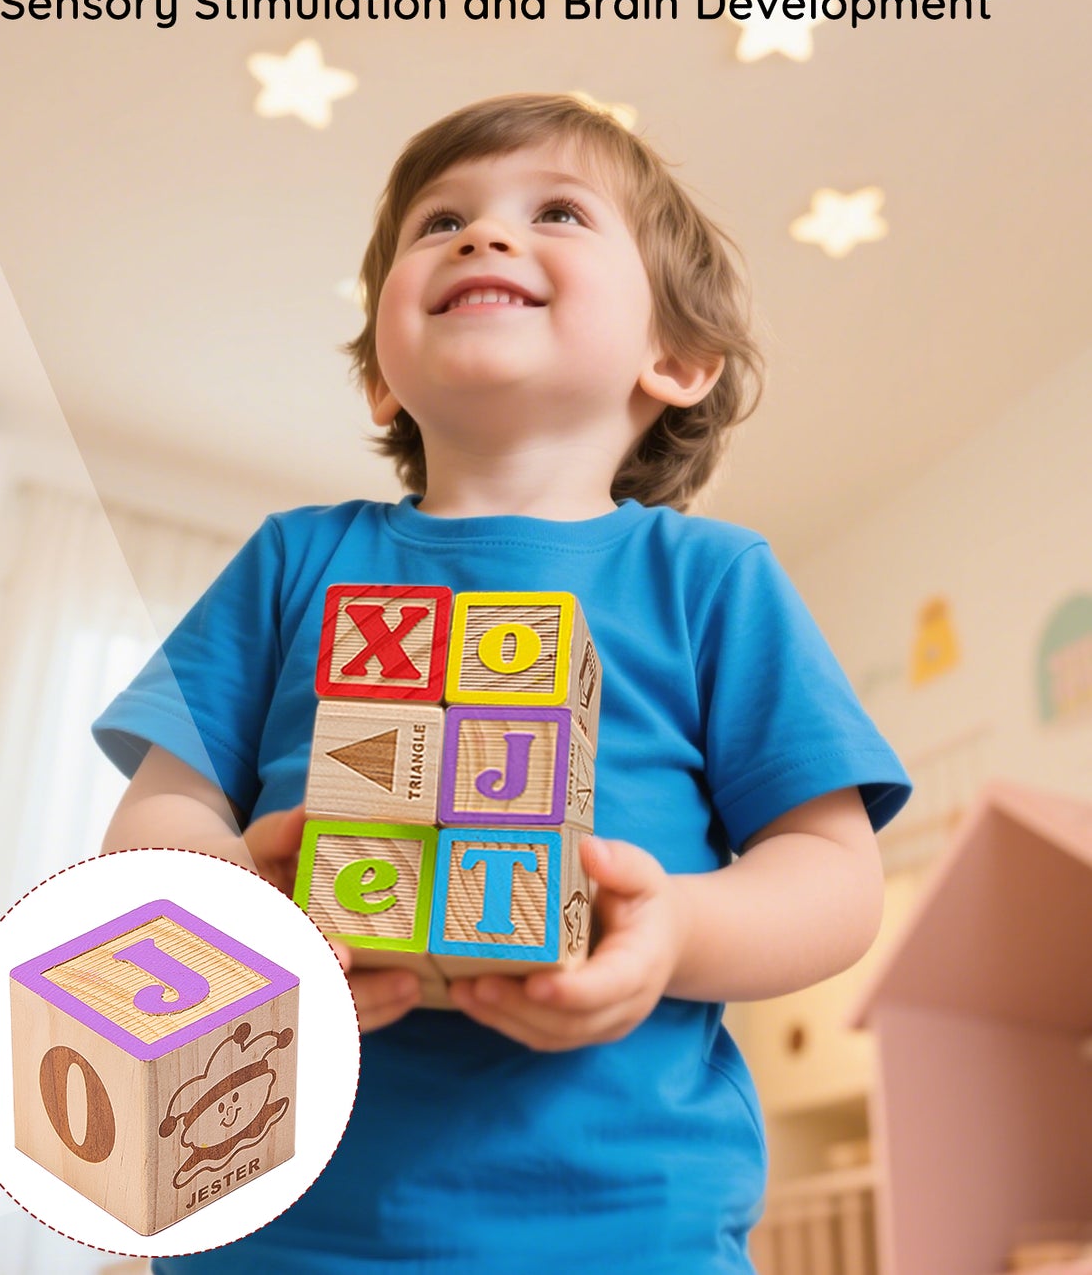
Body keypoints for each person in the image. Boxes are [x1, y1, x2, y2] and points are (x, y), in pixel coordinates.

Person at [94, 92, 911, 1272]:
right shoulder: (292, 557)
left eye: (557, 212)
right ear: (381, 377)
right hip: (268, 1218)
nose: (480, 237)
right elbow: (153, 817)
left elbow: (833, 876)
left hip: (624, 1227)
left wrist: (672, 928)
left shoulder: (709, 578)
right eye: (439, 222)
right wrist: (238, 899)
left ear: (673, 359)